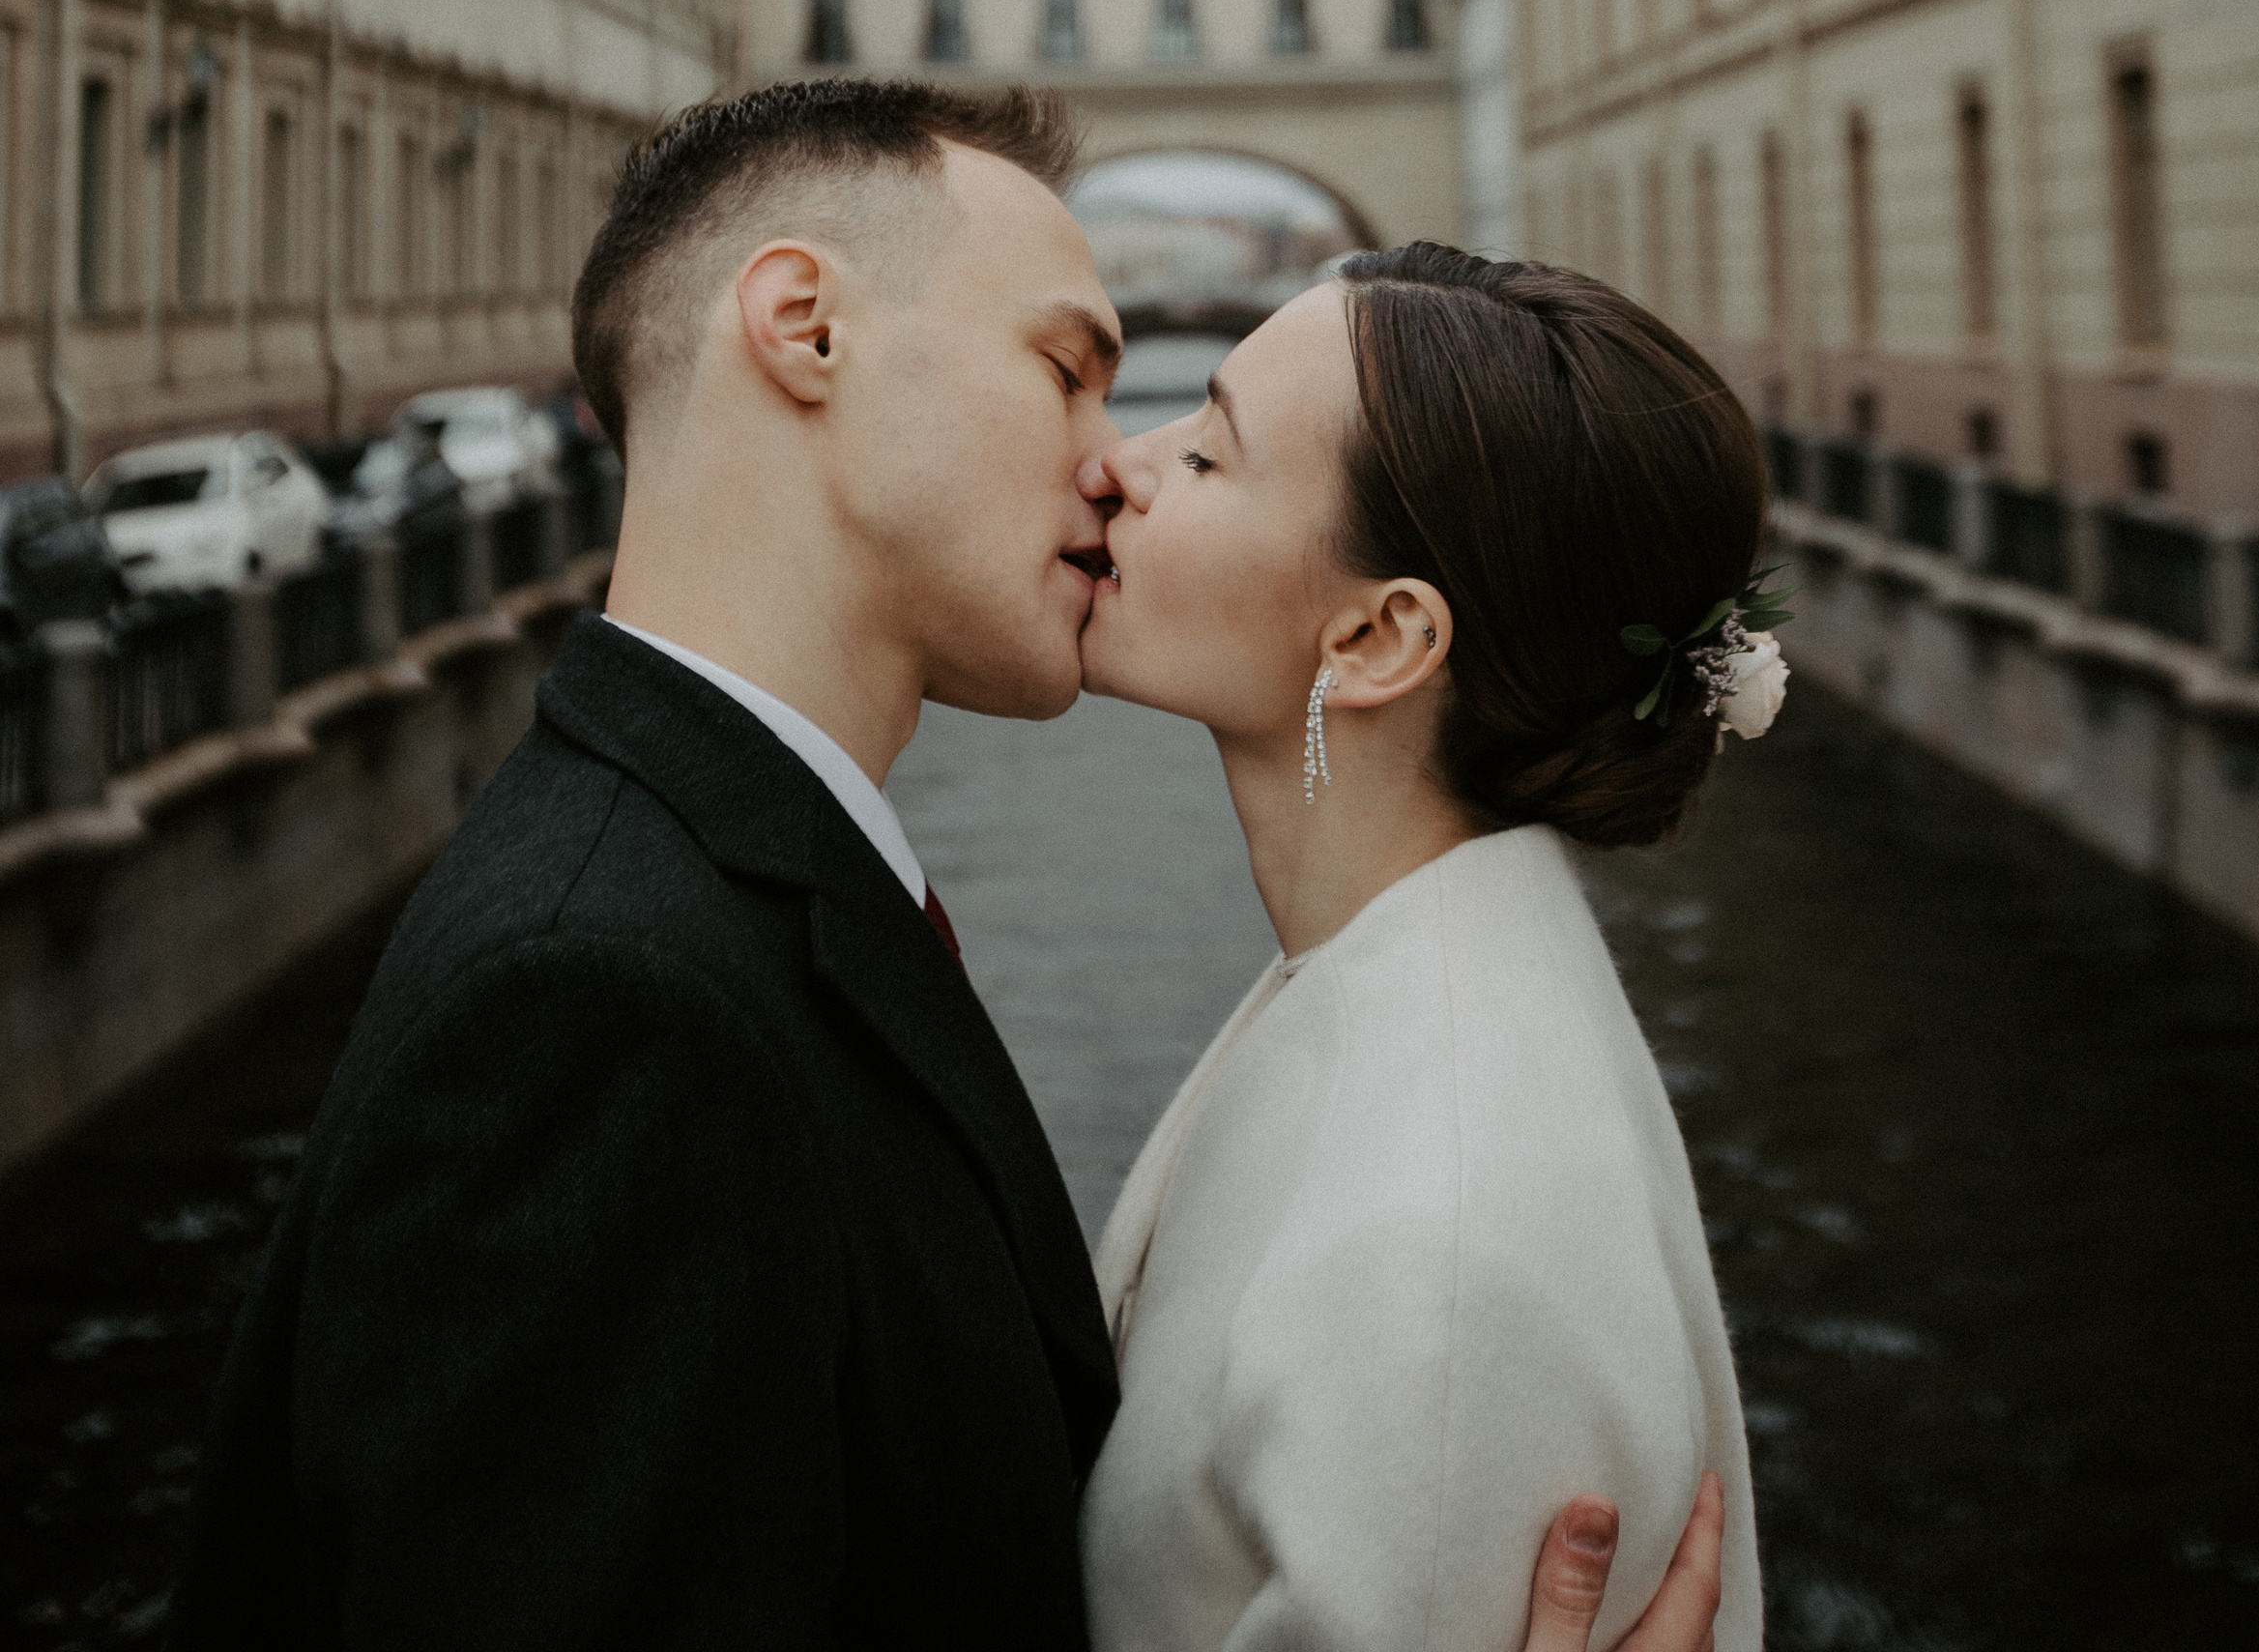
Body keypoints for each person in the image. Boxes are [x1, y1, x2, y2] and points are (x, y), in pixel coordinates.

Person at [171, 83, 1727, 1652]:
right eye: (1065, 369)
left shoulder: (728, 896)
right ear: (806, 329)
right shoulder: (597, 1007)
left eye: (1184, 431)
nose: (1114, 462)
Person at [1074, 244, 1778, 1652]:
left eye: (1207, 455)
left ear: (1381, 636)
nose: (1122, 466)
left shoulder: (1434, 1271)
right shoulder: (1409, 986)